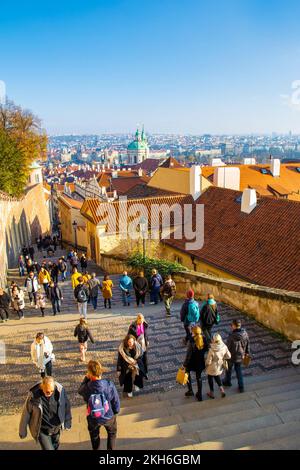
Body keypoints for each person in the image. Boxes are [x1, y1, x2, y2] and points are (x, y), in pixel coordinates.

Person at [19, 376, 72, 450]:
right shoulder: (34, 395)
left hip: (56, 428)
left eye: (52, 391)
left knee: (55, 446)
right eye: (47, 392)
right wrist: (22, 431)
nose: (50, 393)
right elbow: (26, 412)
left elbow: (66, 406)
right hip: (42, 430)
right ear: (42, 387)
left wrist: (68, 421)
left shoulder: (60, 391)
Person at [78, 360, 120, 450]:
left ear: (89, 373)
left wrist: (86, 379)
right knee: (112, 433)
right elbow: (115, 400)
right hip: (108, 415)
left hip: (93, 416)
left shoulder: (87, 387)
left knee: (94, 436)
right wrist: (116, 411)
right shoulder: (108, 384)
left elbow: (80, 391)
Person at [223, 319, 250, 393]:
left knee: (228, 369)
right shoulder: (245, 333)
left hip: (231, 356)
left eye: (231, 325)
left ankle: (227, 382)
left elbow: (227, 347)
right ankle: (241, 386)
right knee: (238, 370)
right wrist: (247, 352)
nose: (231, 326)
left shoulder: (231, 336)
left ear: (234, 326)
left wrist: (224, 355)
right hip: (240, 355)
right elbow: (247, 343)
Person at [183, 326, 208, 401]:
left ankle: (190, 390)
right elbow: (206, 349)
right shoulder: (204, 339)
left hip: (191, 362)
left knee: (187, 373)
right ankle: (199, 394)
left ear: (194, 333)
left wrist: (184, 364)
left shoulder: (192, 341)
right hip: (200, 362)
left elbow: (189, 354)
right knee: (199, 377)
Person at [205, 333, 231, 399]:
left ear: (213, 340)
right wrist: (223, 357)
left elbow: (208, 361)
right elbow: (229, 356)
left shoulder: (211, 350)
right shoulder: (224, 346)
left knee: (210, 378)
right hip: (219, 366)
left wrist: (205, 364)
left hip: (211, 367)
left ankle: (211, 393)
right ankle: (222, 389)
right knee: (217, 376)